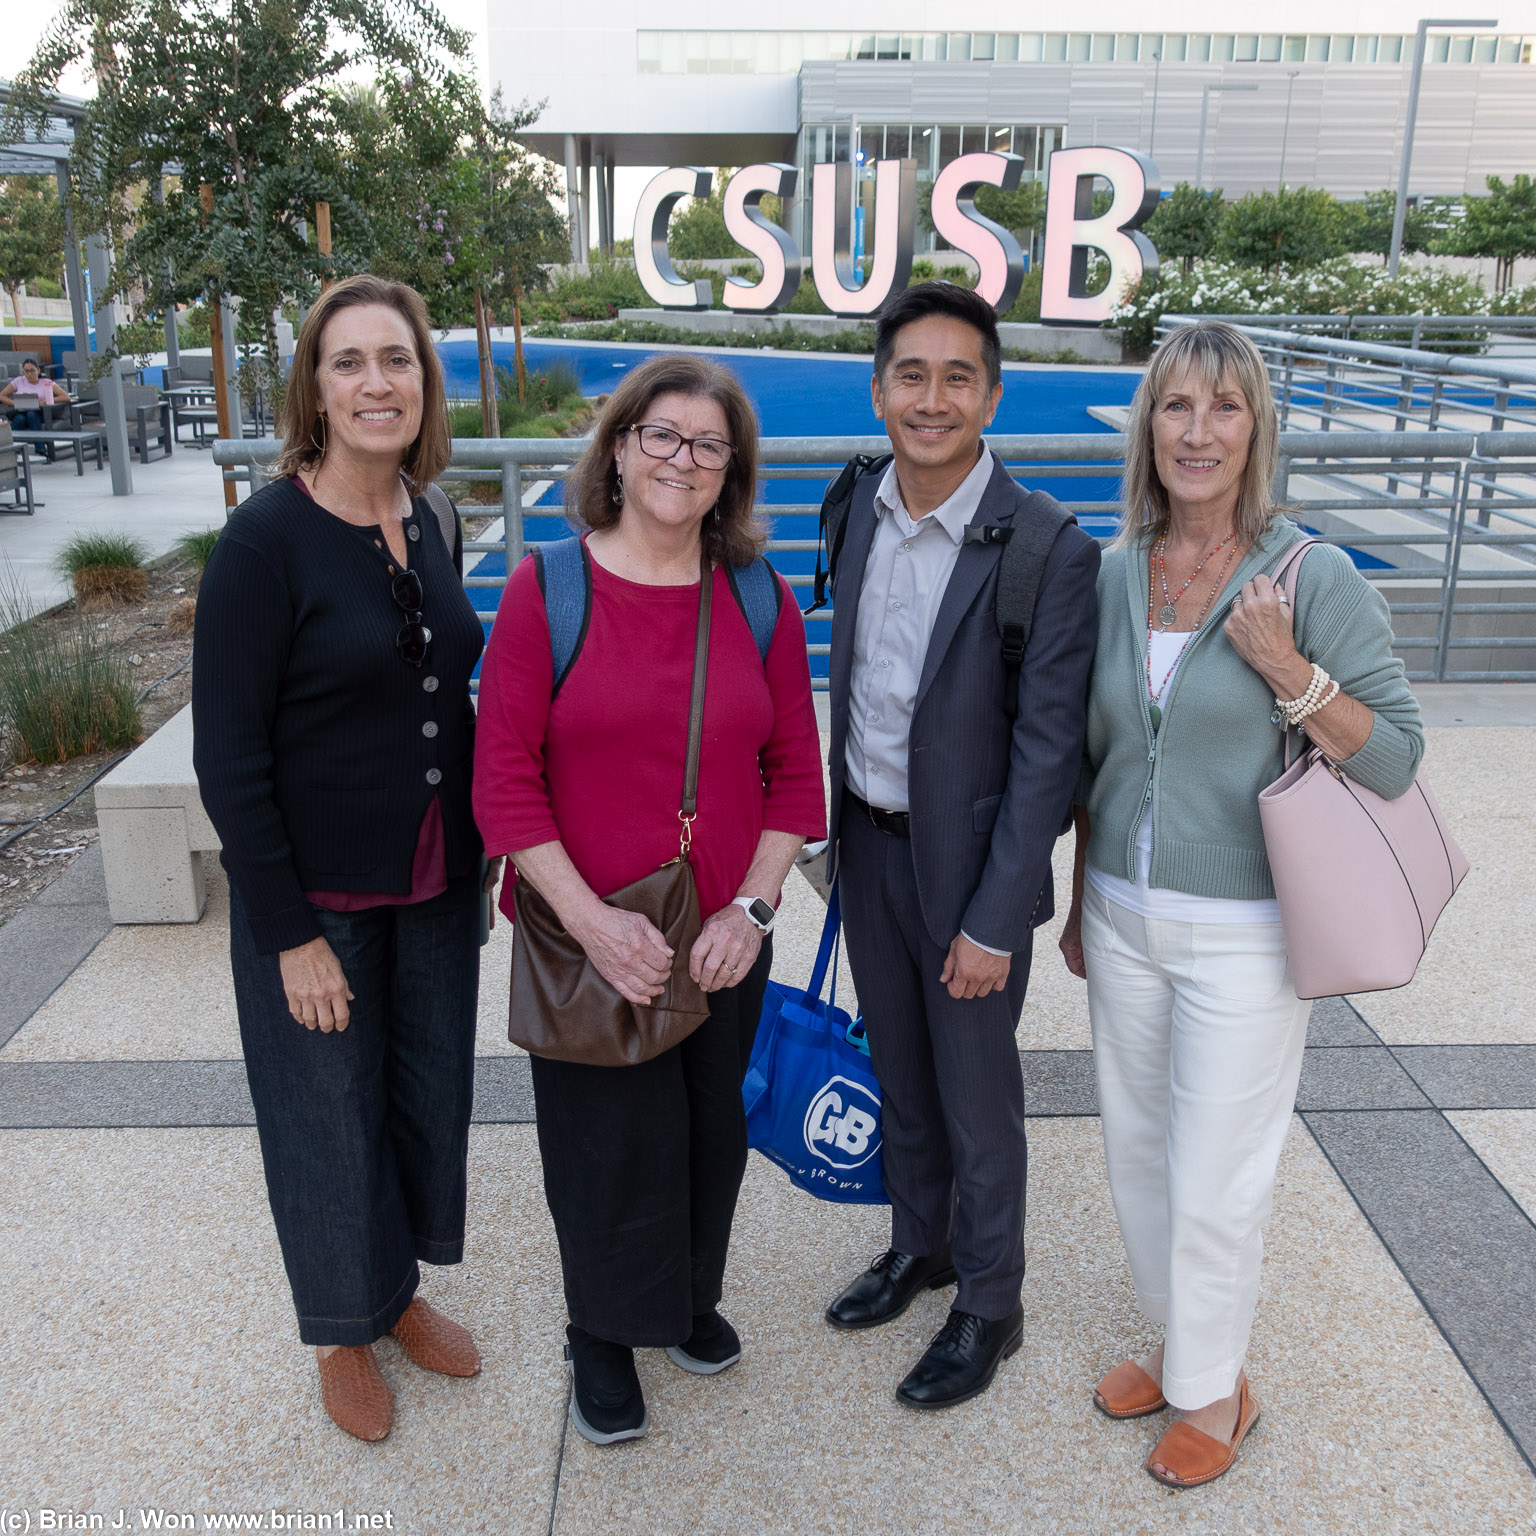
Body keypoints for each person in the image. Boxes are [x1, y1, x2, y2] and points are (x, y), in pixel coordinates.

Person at [1058, 319, 1425, 1488]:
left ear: (1256, 427)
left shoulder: (1310, 577)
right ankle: (1183, 1351)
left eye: (1224, 407)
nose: (1199, 432)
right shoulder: (1114, 572)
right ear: (1149, 427)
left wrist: (1293, 674)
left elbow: (1397, 758)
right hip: (1121, 910)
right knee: (1141, 1153)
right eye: (1177, 407)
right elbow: (1098, 762)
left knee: (1220, 1168)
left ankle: (1218, 1392)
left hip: (1247, 929)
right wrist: (1077, 901)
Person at [473, 353, 825, 1447]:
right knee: (605, 1141)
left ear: (732, 471)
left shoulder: (759, 596)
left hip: (722, 931)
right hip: (593, 928)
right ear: (620, 448)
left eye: (707, 444)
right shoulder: (550, 588)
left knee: (709, 1133)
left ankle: (680, 1300)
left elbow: (795, 778)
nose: (682, 459)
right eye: (661, 436)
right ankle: (601, 1331)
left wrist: (754, 911)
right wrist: (587, 919)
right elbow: (504, 780)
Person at [193, 274, 493, 1443]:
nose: (378, 382)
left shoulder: (433, 514)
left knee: (420, 1096)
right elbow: (231, 758)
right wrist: (288, 933)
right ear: (313, 391)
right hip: (316, 893)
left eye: (399, 360)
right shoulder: (265, 541)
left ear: (425, 383)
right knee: (325, 1112)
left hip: (433, 880)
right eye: (349, 362)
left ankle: (399, 1292)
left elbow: (450, 693)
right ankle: (340, 1329)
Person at [822, 282, 1101, 1409]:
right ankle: (919, 1245)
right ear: (879, 385)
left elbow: (1049, 759)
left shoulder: (1046, 548)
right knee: (900, 1075)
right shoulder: (852, 504)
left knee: (980, 1100)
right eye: (910, 375)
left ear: (992, 393)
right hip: (869, 848)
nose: (931, 400)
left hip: (971, 876)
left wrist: (999, 914)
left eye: (957, 378)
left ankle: (991, 1300)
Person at [1, 359, 71, 455]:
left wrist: (46, 401)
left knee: (31, 415)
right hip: (21, 411)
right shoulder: (18, 381)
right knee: (20, 418)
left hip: (39, 412)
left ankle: (40, 449)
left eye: (32, 371)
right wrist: (14, 403)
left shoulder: (46, 382)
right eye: (26, 371)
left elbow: (66, 397)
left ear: (38, 370)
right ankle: (9, 449)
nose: (29, 374)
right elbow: (2, 395)